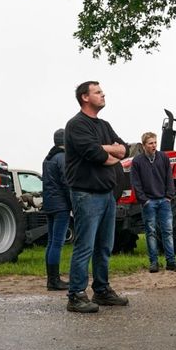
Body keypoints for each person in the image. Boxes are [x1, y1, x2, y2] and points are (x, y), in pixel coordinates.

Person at [63, 81, 130, 314]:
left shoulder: (104, 124)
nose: (103, 94)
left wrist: (109, 150)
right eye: (98, 92)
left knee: (104, 246)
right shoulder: (76, 125)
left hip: (107, 195)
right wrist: (110, 151)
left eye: (102, 91)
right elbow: (95, 154)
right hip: (86, 195)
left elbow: (125, 150)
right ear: (85, 97)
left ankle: (101, 290)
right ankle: (76, 295)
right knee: (85, 246)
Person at [130, 131, 176, 273]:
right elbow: (135, 183)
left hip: (164, 201)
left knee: (168, 231)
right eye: (150, 143)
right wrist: (144, 200)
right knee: (151, 232)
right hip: (149, 202)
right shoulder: (137, 161)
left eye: (155, 142)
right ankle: (154, 262)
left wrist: (169, 196)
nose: (154, 145)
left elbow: (169, 178)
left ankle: (171, 262)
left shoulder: (163, 157)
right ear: (144, 145)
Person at [41, 128, 71, 290]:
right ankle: (54, 280)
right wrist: (72, 203)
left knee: (51, 242)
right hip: (61, 206)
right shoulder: (62, 158)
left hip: (49, 205)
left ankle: (51, 279)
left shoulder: (48, 159)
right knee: (57, 243)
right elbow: (67, 183)